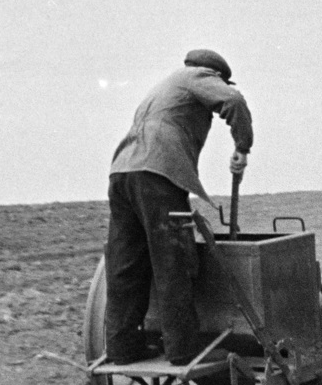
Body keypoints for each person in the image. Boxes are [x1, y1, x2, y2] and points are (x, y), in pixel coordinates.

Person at [105, 49, 253, 365]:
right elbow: (234, 102)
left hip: (122, 173)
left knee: (125, 264)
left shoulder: (164, 87)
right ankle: (184, 350)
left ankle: (122, 348)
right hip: (157, 175)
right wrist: (243, 147)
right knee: (173, 261)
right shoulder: (197, 77)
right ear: (215, 75)